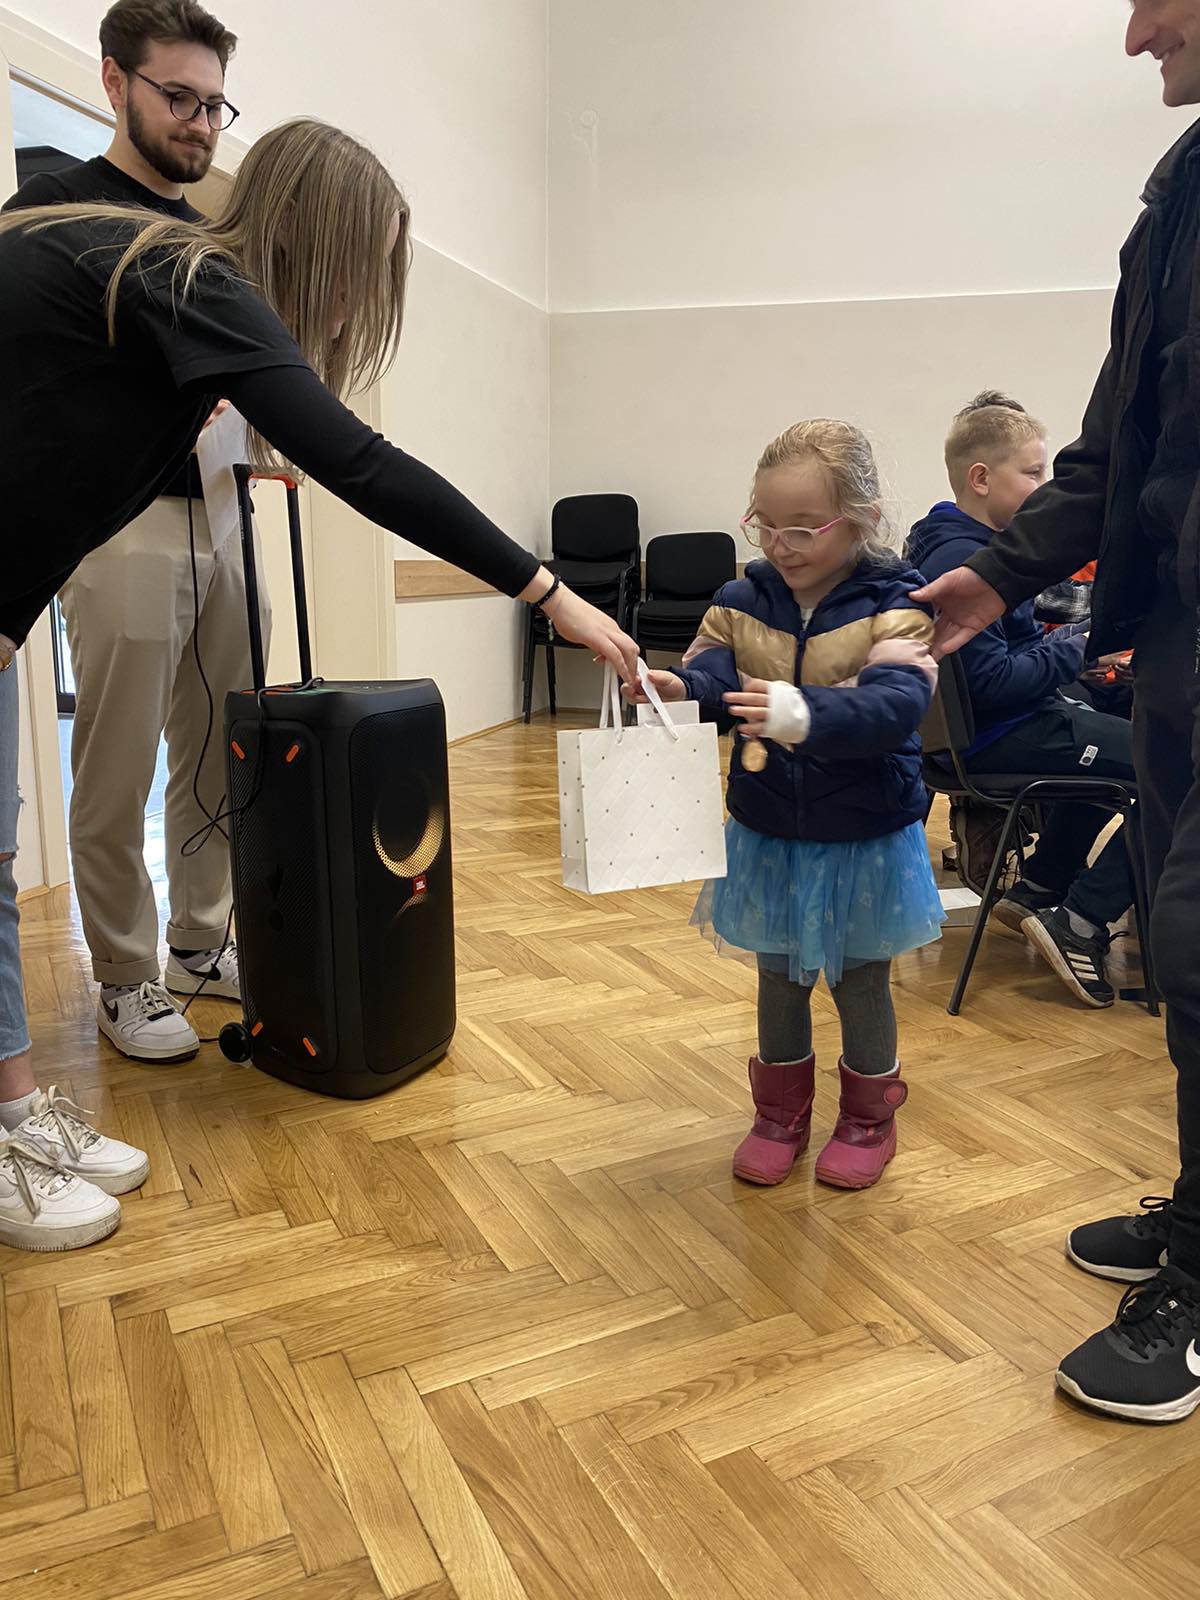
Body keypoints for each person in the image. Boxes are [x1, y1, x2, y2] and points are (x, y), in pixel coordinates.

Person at [0, 116, 638, 1250]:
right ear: (306, 236)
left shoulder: (164, 280)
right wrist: (554, 595)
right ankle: (17, 1131)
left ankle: (22, 1112)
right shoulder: (190, 279)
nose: (347, 313)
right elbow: (365, 464)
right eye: (356, 275)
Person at [913, 0, 1200, 1424]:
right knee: (1187, 939)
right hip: (1178, 642)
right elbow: (1112, 452)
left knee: (1196, 935)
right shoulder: (1176, 199)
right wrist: (999, 579)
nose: (1137, 32)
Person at [3, 0, 258, 1065]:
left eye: (214, 105)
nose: (200, 124)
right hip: (120, 524)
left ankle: (202, 936)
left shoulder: (216, 240)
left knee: (222, 744)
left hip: (225, 508)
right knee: (116, 757)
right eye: (178, 98)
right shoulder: (49, 208)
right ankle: (123, 972)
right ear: (115, 83)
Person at [627, 421, 943, 1191]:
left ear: (860, 520)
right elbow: (715, 682)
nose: (780, 544)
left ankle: (869, 1120)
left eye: (803, 528)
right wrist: (679, 688)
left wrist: (801, 712)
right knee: (779, 976)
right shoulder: (740, 599)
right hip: (769, 824)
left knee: (860, 980)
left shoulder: (898, 600)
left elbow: (897, 707)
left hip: (864, 829)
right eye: (765, 525)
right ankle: (778, 1116)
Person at [908, 393, 1137, 1008]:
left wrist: (1073, 652)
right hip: (1000, 735)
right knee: (1175, 771)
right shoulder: (965, 557)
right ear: (981, 478)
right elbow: (993, 684)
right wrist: (1083, 647)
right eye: (1034, 473)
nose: (1045, 488)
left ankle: (1039, 889)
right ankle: (1081, 921)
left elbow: (1012, 658)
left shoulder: (955, 543)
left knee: (1122, 741)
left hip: (1006, 725)